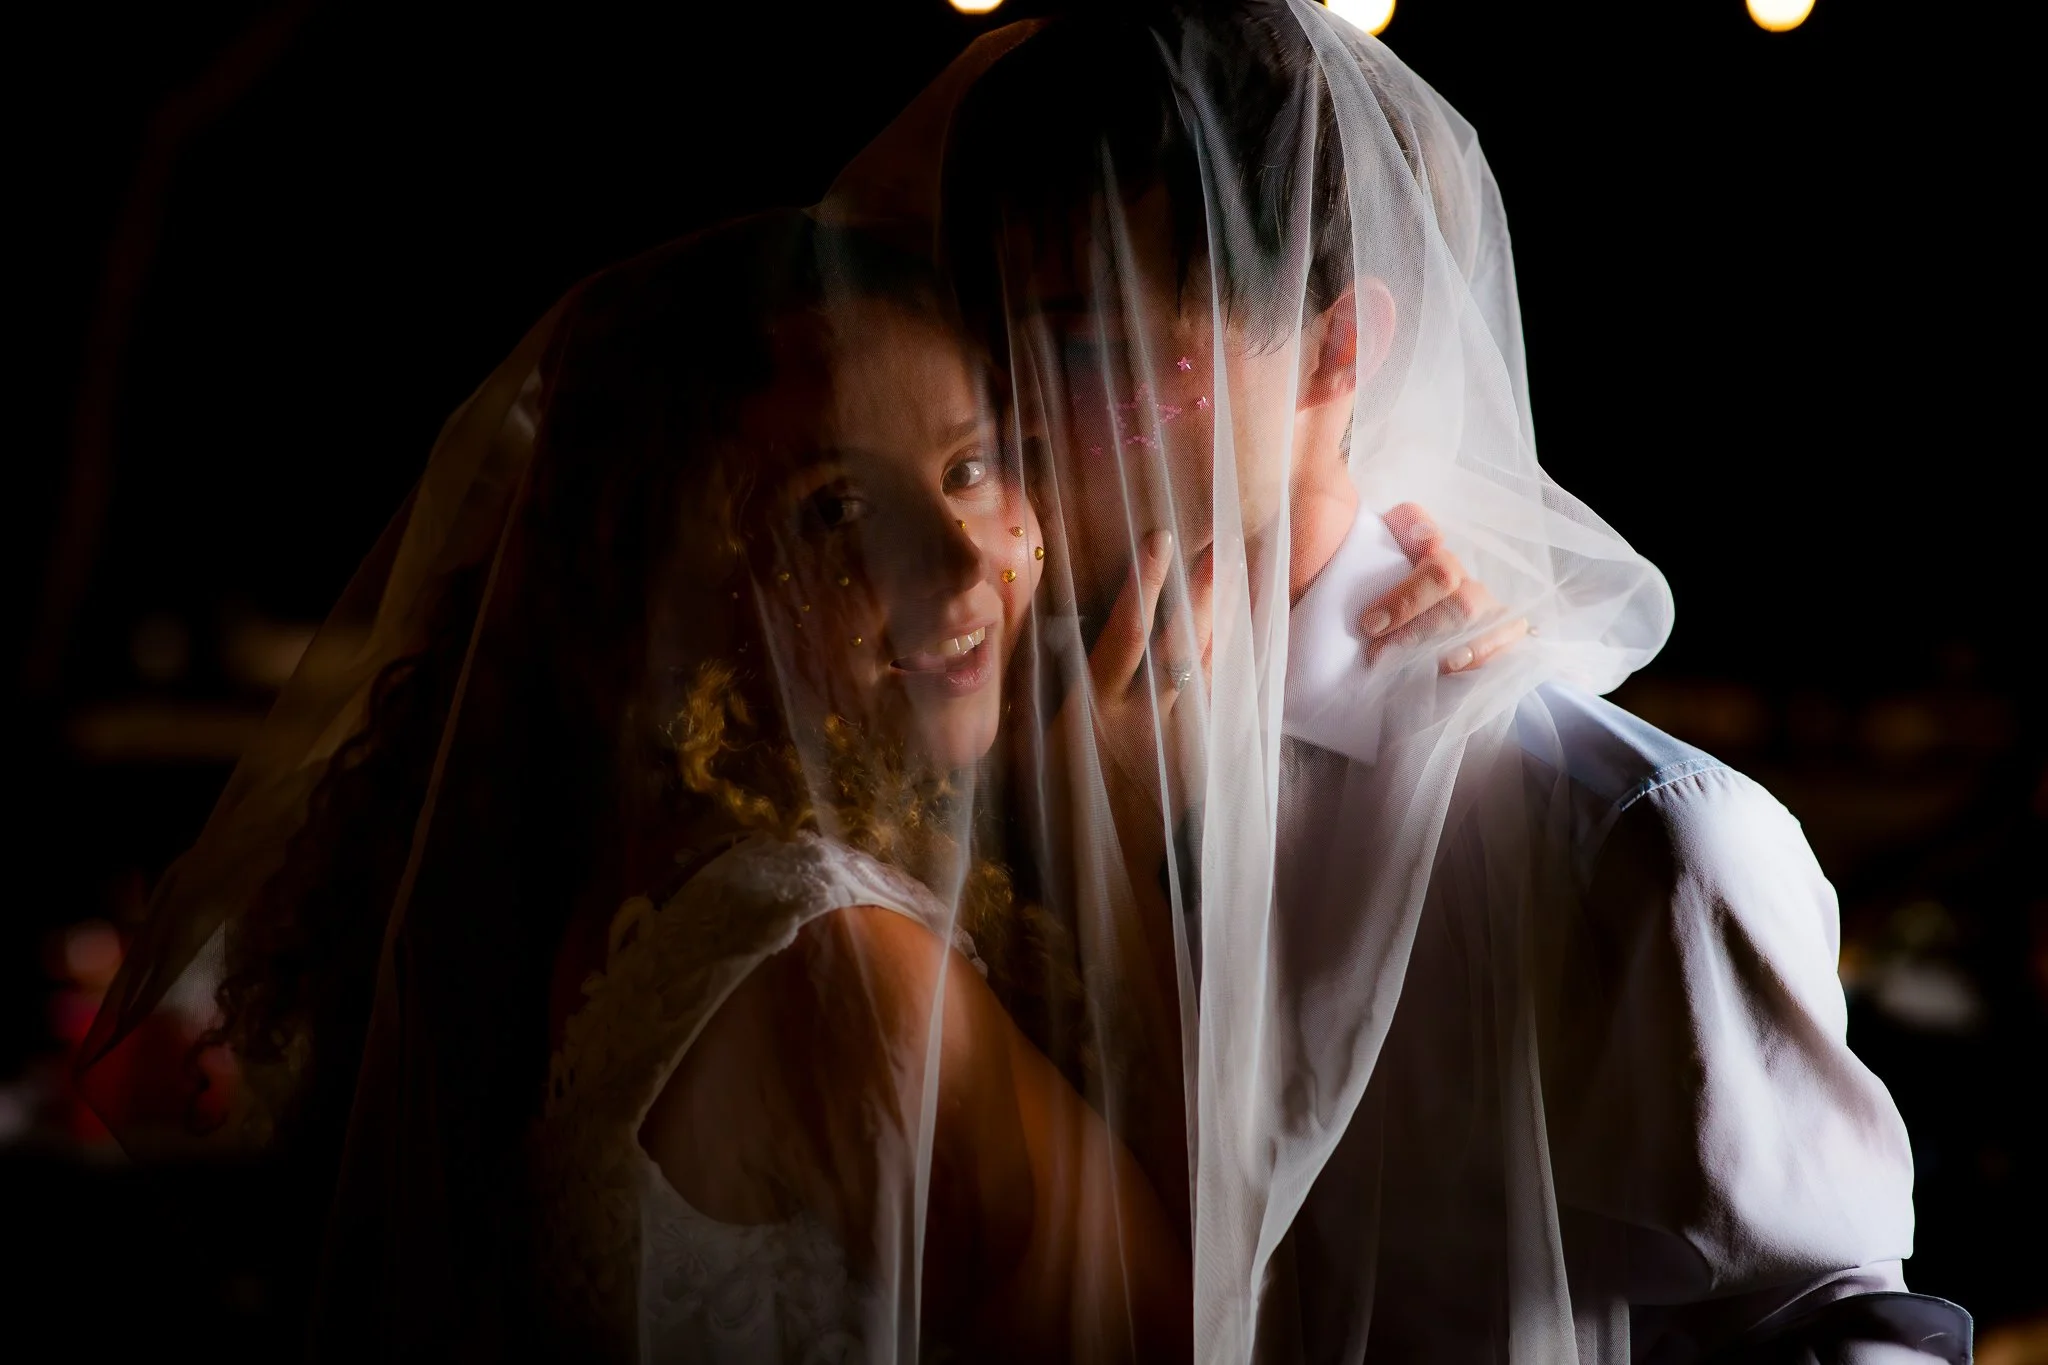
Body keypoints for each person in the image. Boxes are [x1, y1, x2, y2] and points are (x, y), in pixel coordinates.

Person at [76, 200, 1492, 1360]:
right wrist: (1123, 837)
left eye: (975, 465)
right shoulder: (831, 958)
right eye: (837, 510)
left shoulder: (637, 880)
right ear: (679, 578)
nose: (960, 566)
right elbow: (1209, 1341)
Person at [811, 2, 1974, 1360]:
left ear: (1336, 352)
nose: (1006, 409)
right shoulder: (934, 759)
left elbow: (1831, 1320)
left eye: (1086, 338)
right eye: (984, 335)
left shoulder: (1629, 837)